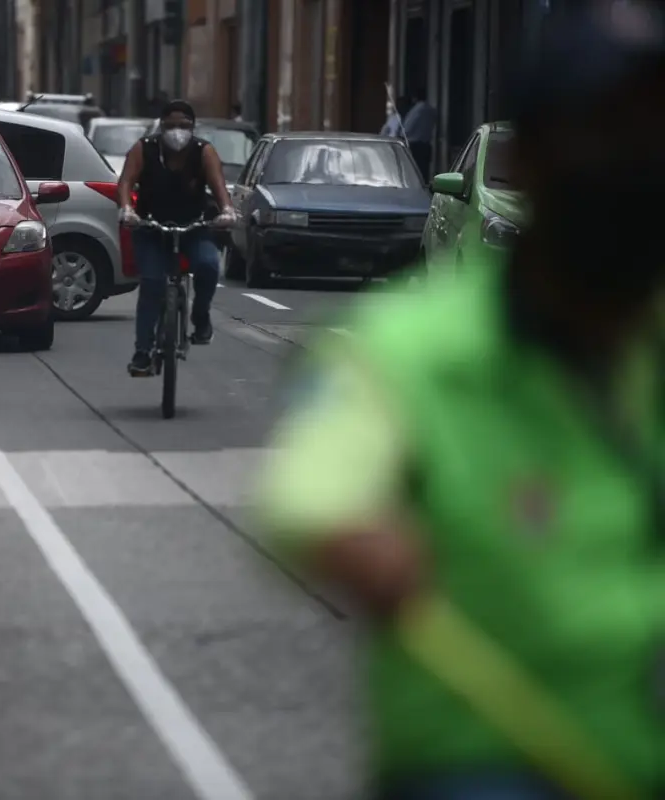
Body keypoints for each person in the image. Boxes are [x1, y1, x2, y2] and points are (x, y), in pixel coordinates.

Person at [253, 3, 665, 799]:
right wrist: (362, 536)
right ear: (539, 161)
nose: (635, 164)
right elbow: (307, 492)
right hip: (486, 754)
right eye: (607, 133)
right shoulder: (409, 344)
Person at [116, 99, 236, 376]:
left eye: (184, 125)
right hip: (150, 227)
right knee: (152, 283)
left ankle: (201, 316)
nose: (177, 131)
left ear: (193, 128)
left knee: (208, 265)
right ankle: (142, 352)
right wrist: (127, 210)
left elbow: (219, 186)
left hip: (194, 227)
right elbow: (125, 182)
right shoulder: (143, 149)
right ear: (160, 126)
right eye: (170, 125)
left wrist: (227, 210)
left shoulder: (203, 152)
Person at [402, 85, 435, 182]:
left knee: (415, 172)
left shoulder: (416, 110)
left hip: (415, 145)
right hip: (426, 144)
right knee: (424, 172)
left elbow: (407, 128)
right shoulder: (431, 109)